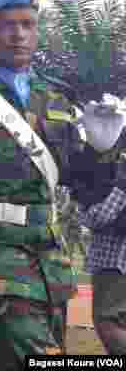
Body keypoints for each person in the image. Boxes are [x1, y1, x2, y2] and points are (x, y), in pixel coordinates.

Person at [0, 0, 126, 369]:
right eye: (7, 25)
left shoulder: (54, 96)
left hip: (47, 249)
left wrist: (102, 152)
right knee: (39, 358)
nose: (19, 34)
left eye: (28, 24)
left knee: (18, 360)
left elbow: (82, 183)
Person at [76, 127, 126, 355]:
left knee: (108, 320)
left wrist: (119, 186)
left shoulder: (118, 178)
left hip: (115, 261)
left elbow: (99, 217)